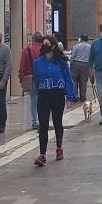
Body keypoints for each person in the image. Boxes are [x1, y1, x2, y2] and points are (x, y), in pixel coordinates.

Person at [31, 35, 76, 167]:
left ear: (53, 46)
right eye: (43, 43)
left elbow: (68, 78)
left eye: (47, 44)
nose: (44, 46)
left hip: (57, 94)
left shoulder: (61, 62)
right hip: (44, 95)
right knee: (43, 124)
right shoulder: (37, 62)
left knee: (57, 122)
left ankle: (59, 147)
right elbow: (36, 79)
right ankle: (42, 153)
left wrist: (70, 97)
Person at [19, 32, 44, 128]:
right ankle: (42, 119)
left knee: (34, 100)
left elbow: (22, 66)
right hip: (43, 78)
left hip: (30, 78)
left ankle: (35, 121)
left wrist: (21, 78)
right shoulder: (45, 49)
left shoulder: (26, 50)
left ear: (33, 39)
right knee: (43, 100)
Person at [69, 35, 92, 102]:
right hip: (85, 64)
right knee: (84, 81)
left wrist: (71, 63)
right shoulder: (90, 47)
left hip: (76, 63)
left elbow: (73, 56)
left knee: (74, 80)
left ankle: (75, 96)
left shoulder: (76, 46)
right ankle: (83, 96)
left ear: (81, 39)